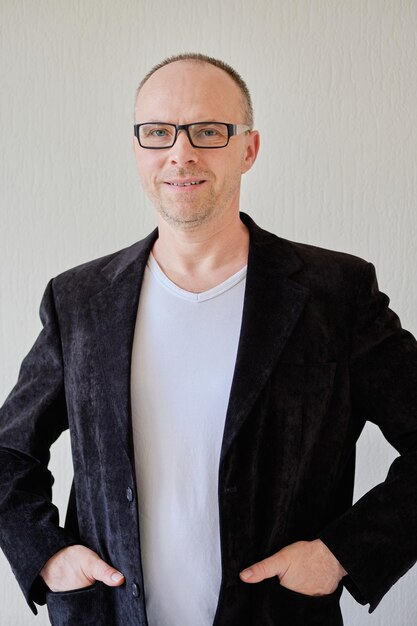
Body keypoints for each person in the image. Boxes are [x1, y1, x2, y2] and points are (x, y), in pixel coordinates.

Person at [0, 53, 416, 626]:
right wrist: (45, 555)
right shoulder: (79, 301)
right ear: (137, 147)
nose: (180, 152)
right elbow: (7, 453)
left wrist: (342, 555)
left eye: (208, 131)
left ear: (248, 148)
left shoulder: (335, 295)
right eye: (158, 132)